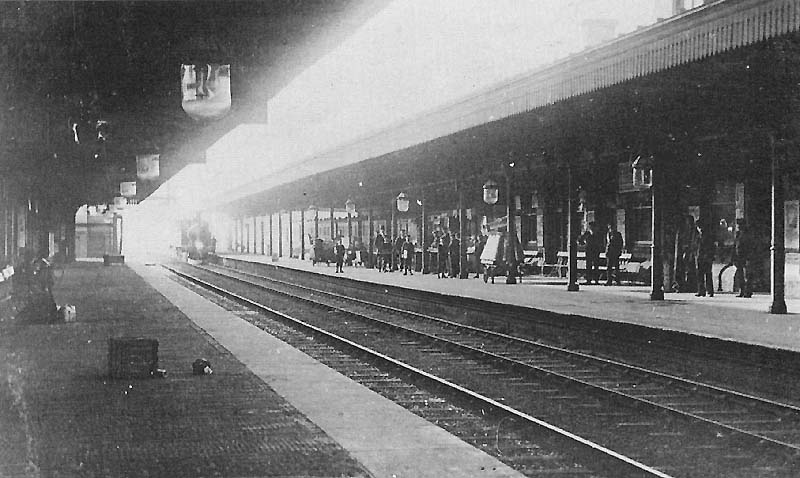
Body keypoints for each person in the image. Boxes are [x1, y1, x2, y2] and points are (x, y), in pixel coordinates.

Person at [694, 221, 715, 297]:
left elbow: (700, 247)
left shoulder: (702, 236)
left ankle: (702, 291)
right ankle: (709, 291)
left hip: (703, 257)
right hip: (704, 257)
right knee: (707, 274)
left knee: (702, 274)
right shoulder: (705, 236)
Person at [733, 219, 753, 298]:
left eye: (740, 225)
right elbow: (735, 246)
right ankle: (742, 291)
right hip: (739, 257)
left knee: (747, 275)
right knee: (740, 275)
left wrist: (749, 257)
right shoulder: (738, 234)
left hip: (746, 257)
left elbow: (750, 247)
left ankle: (748, 291)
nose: (738, 227)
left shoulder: (748, 235)